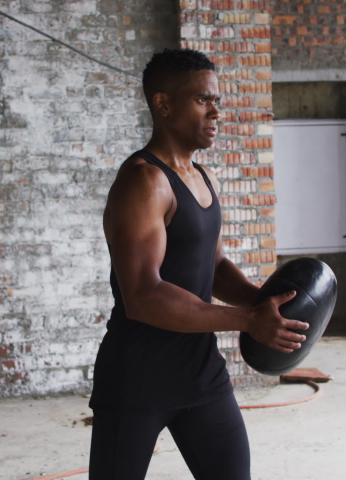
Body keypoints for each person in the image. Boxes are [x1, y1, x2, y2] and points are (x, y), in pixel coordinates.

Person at [88, 48, 309, 480]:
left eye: (217, 101)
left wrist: (271, 307)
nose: (216, 112)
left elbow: (215, 264)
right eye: (202, 100)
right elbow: (144, 296)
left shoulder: (202, 176)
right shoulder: (143, 181)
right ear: (164, 103)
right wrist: (246, 320)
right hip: (138, 377)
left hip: (200, 373)